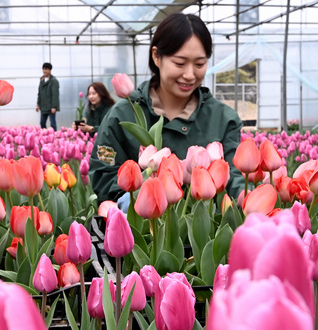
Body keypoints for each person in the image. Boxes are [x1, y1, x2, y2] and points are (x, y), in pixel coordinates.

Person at [89, 13, 243, 204]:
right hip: (140, 228)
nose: (189, 74)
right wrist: (138, 198)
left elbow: (235, 180)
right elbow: (103, 173)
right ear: (156, 56)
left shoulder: (223, 119)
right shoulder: (121, 116)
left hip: (208, 230)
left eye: (199, 64)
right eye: (180, 63)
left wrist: (249, 201)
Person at [36, 62, 60, 130]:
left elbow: (55, 94)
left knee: (52, 123)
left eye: (46, 69)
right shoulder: (41, 80)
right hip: (43, 106)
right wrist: (38, 104)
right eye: (43, 69)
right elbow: (39, 93)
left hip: (51, 107)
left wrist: (54, 106)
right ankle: (45, 137)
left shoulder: (54, 81)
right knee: (42, 122)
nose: (44, 71)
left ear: (50, 70)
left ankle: (54, 136)